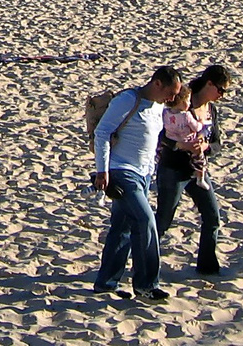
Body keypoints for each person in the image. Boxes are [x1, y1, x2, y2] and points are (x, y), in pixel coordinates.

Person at [93, 66, 182, 301]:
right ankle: (146, 284)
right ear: (157, 84)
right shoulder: (127, 100)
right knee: (145, 221)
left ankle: (106, 283)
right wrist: (102, 171)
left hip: (144, 173)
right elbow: (102, 133)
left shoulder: (158, 106)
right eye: (170, 93)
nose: (172, 99)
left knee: (122, 227)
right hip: (121, 171)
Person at [155, 65, 233, 276]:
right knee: (162, 220)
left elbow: (216, 143)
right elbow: (161, 136)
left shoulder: (211, 110)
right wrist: (182, 146)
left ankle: (207, 267)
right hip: (173, 168)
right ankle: (144, 263)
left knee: (212, 216)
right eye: (220, 90)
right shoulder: (182, 100)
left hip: (198, 170)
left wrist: (205, 147)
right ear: (209, 84)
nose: (221, 96)